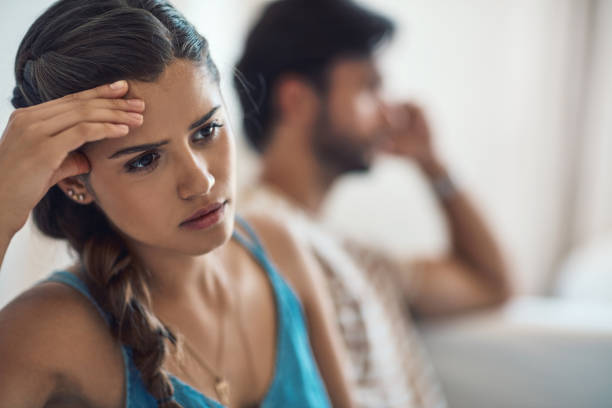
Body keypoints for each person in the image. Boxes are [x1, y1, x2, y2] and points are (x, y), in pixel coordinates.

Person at [0, 1, 354, 407]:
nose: (200, 181)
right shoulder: (48, 335)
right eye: (145, 159)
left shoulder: (279, 248)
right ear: (75, 183)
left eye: (207, 131)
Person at [235, 0, 511, 406]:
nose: (387, 112)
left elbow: (490, 285)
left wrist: (434, 165)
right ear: (295, 99)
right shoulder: (255, 236)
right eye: (369, 87)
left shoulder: (356, 252)